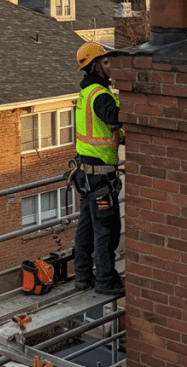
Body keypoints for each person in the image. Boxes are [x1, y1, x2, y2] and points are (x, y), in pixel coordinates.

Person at [71, 42, 127, 297]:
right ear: (95, 66)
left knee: (87, 226)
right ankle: (106, 280)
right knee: (106, 228)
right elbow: (115, 118)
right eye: (106, 62)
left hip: (85, 172)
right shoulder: (101, 95)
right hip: (100, 176)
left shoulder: (86, 93)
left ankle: (83, 276)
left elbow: (106, 128)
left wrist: (121, 134)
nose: (110, 65)